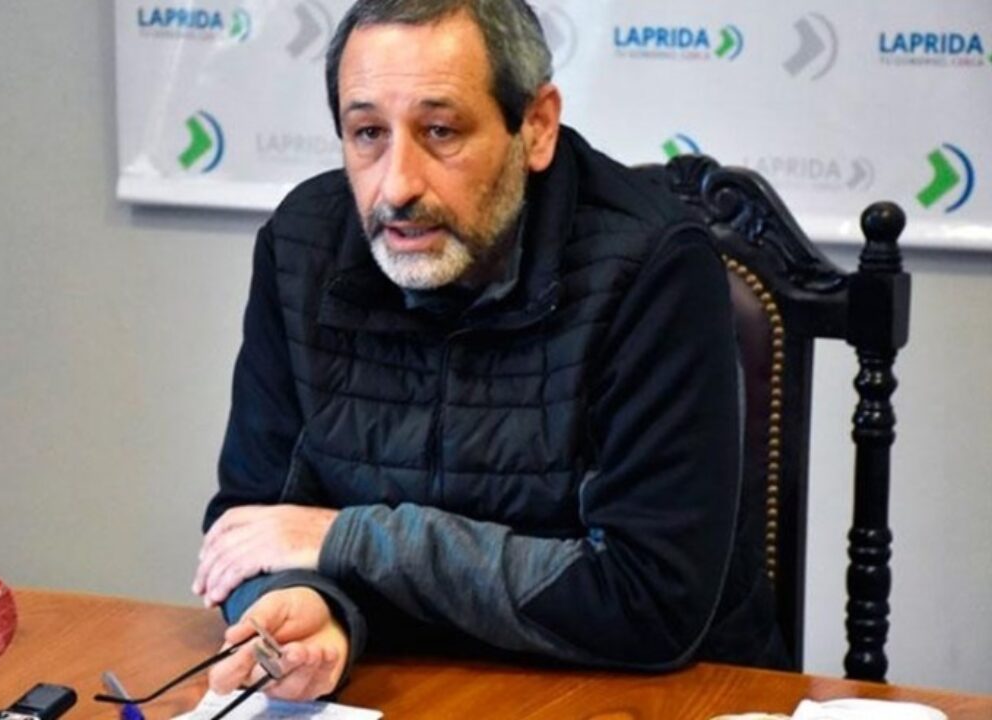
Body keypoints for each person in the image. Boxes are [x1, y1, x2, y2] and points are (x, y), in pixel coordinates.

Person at [192, 0, 787, 701]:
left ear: (536, 126)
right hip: (394, 687)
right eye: (368, 134)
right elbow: (252, 528)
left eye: (440, 131)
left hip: (645, 698)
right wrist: (310, 608)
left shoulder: (653, 266)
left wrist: (350, 542)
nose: (397, 186)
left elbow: (647, 600)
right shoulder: (302, 245)